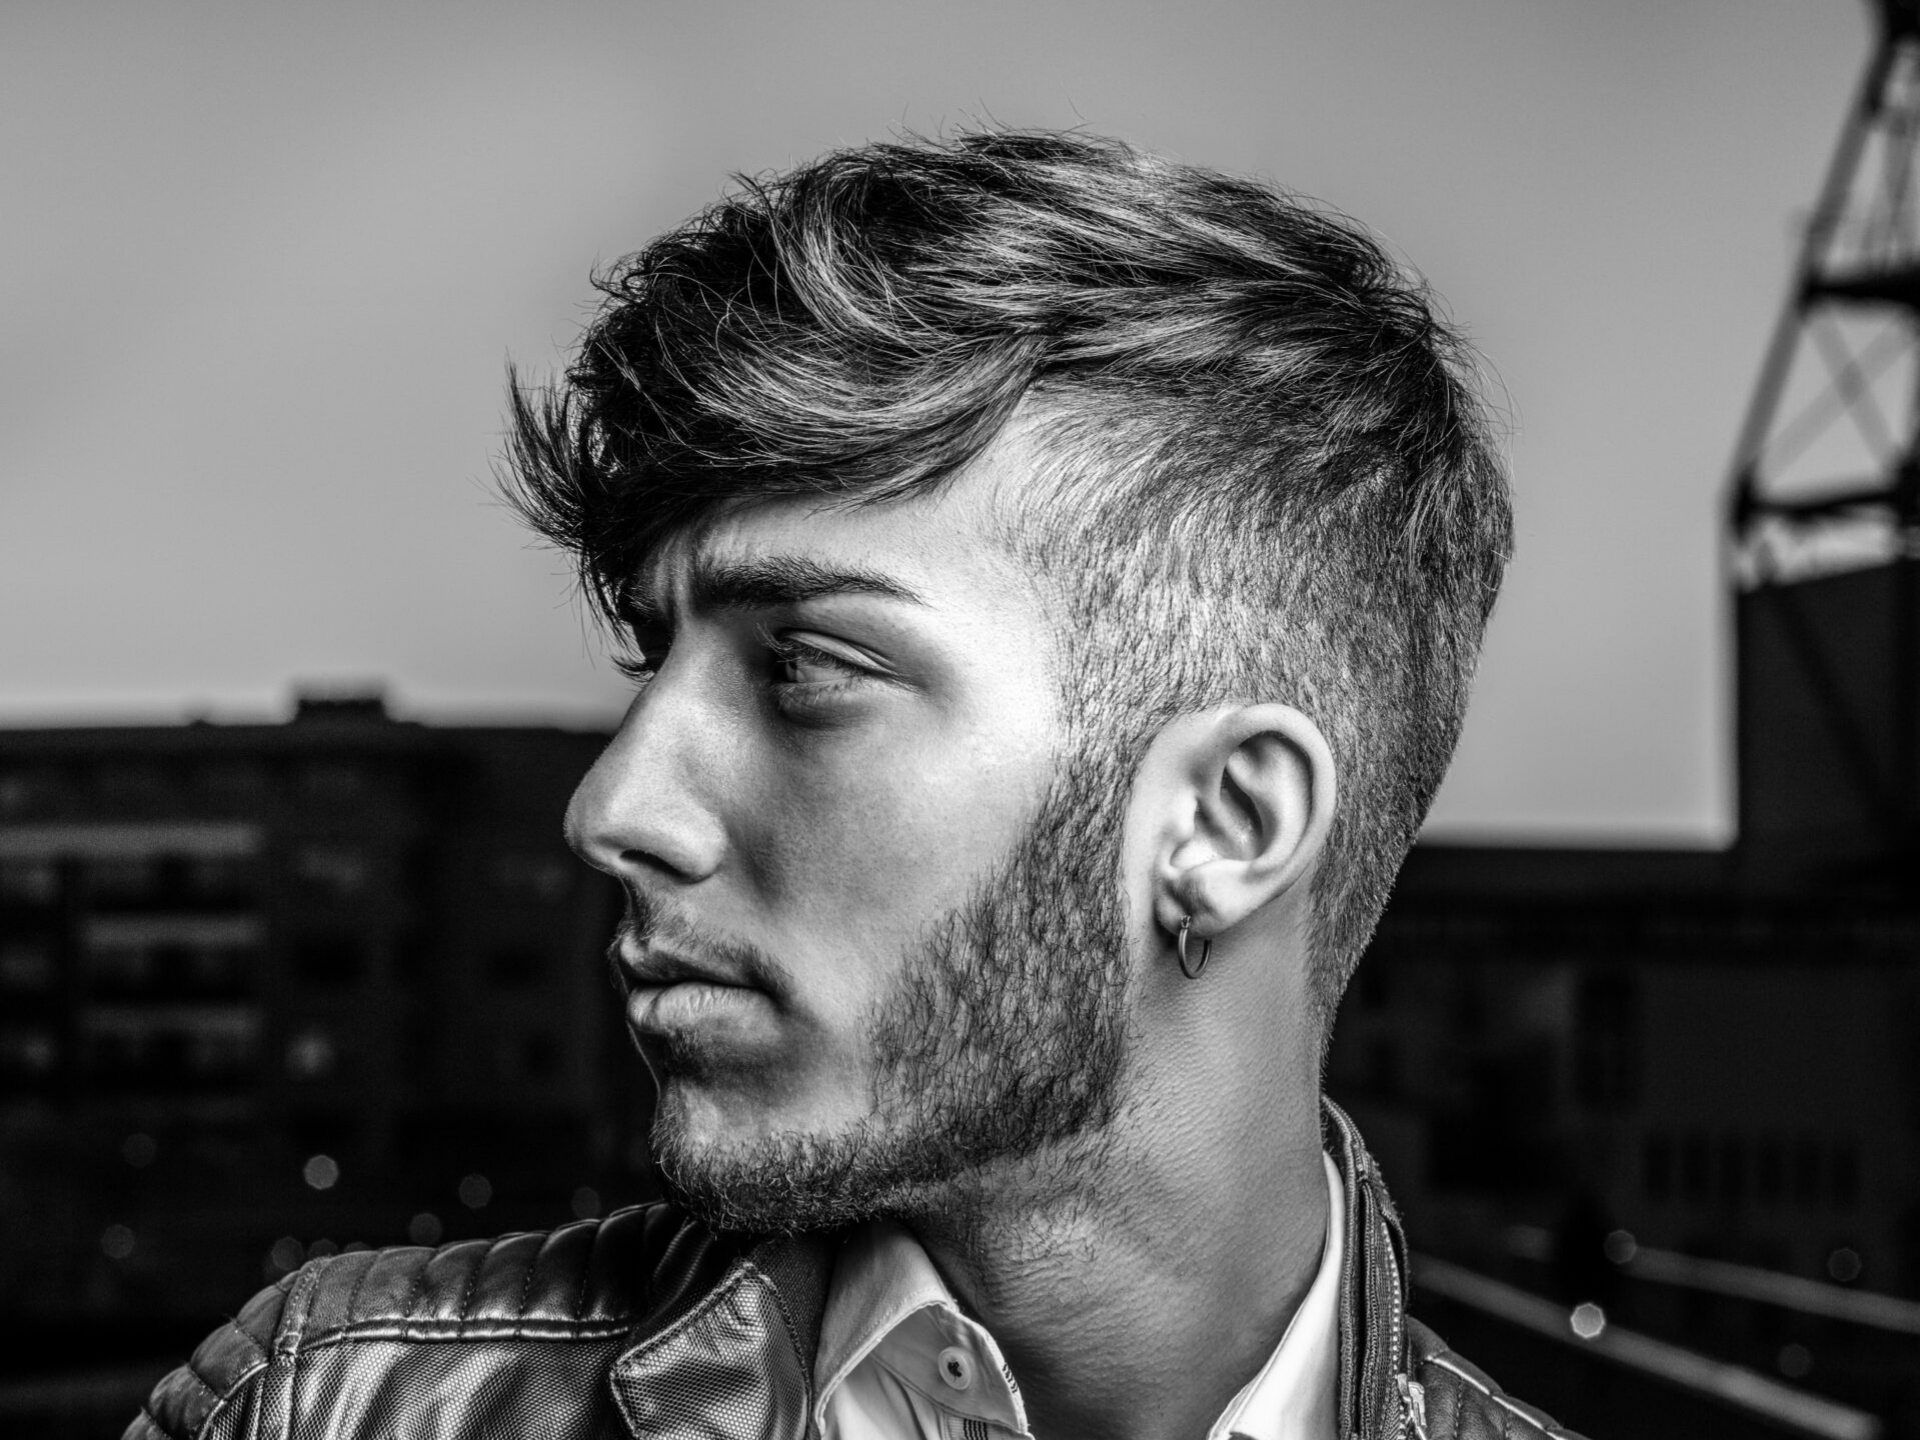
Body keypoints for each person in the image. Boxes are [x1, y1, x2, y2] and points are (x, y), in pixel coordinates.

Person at [129, 131, 1582, 1440]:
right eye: (655, 660)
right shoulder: (331, 1410)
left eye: (809, 669)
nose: (614, 809)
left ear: (1225, 826)